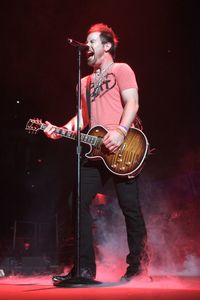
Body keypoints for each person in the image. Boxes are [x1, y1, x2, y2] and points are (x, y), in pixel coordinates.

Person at [44, 23, 148, 284]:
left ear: (107, 45)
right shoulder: (84, 82)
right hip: (96, 151)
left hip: (124, 146)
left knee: (130, 208)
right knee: (76, 201)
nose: (87, 46)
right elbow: (83, 118)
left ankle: (138, 266)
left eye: (92, 42)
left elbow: (133, 102)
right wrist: (60, 129)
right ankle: (84, 270)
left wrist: (121, 131)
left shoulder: (121, 70)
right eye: (86, 42)